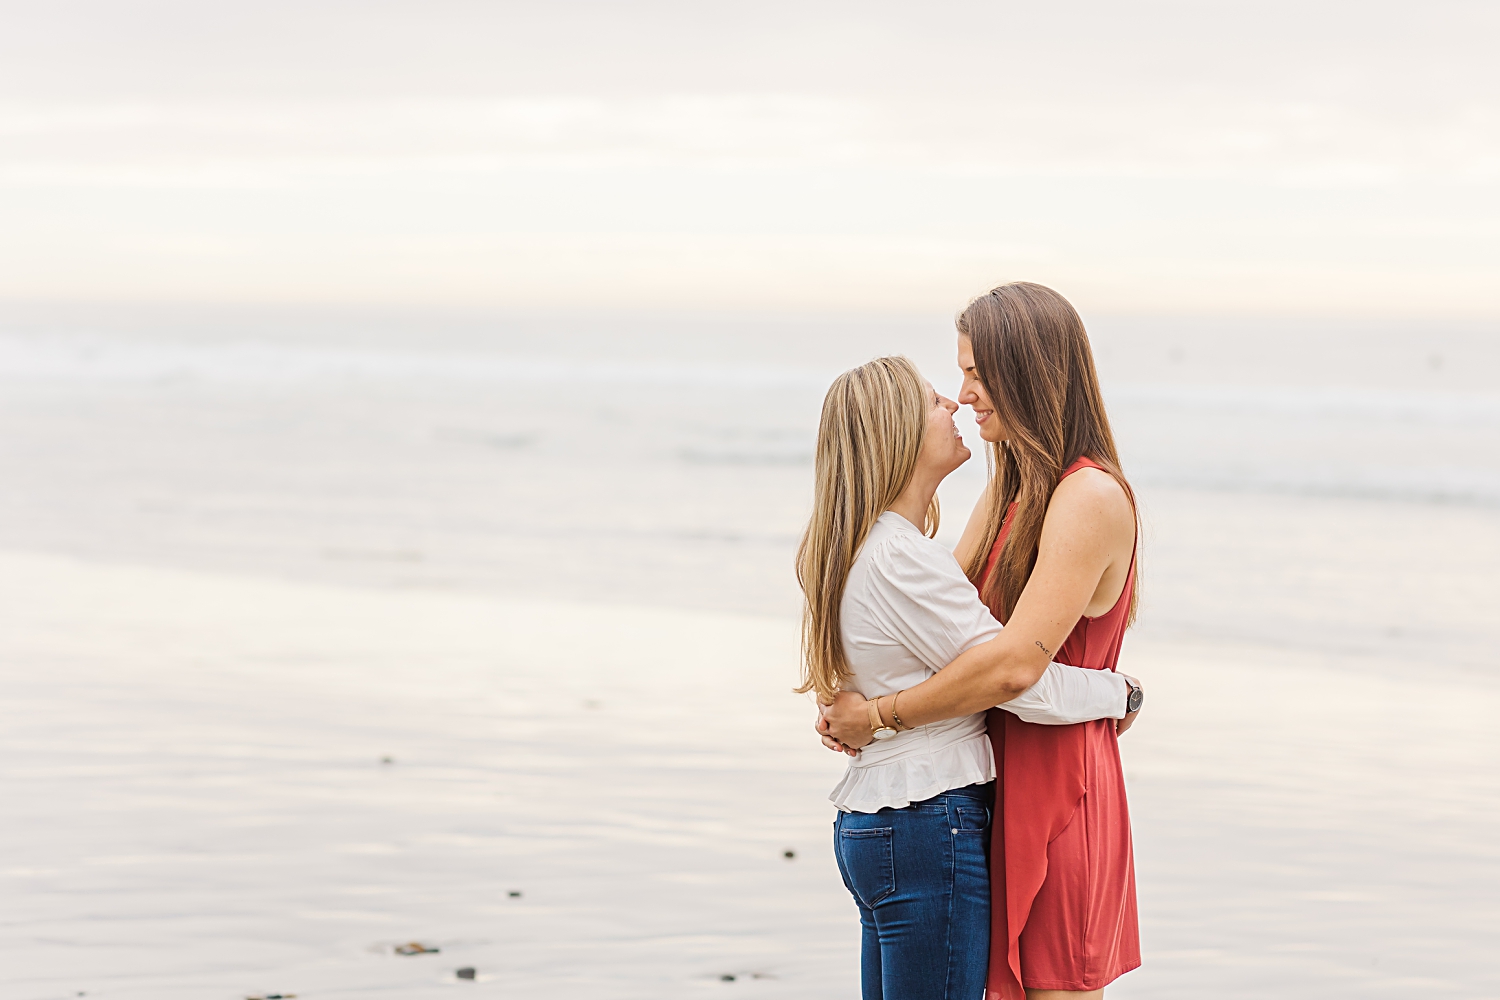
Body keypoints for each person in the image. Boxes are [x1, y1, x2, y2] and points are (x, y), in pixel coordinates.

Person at [822, 282, 1143, 1000]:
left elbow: (1010, 666)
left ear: (1027, 369)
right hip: (992, 779)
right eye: (960, 374)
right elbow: (941, 625)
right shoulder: (1010, 493)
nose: (964, 394)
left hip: (1059, 780)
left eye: (975, 371)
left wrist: (877, 716)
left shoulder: (1087, 496)